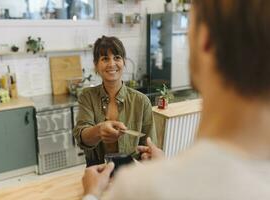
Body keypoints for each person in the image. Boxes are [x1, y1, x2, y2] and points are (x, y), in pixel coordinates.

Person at [81, 0, 270, 199]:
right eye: (104, 59)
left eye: (189, 28)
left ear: (205, 41)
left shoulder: (138, 188)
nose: (111, 64)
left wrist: (91, 195)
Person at [73, 35, 157, 167]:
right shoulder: (87, 96)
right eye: (105, 58)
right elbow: (82, 138)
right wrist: (99, 130)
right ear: (96, 65)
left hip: (132, 170)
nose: (112, 64)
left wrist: (148, 156)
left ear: (124, 62)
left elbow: (149, 144)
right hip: (97, 170)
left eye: (117, 57)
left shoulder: (142, 101)